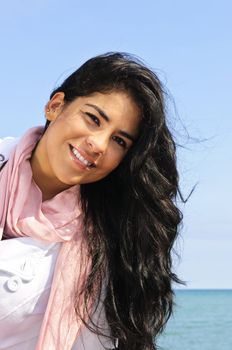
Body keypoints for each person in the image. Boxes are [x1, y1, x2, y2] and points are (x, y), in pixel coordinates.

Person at [0, 52, 182, 350]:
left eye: (119, 141)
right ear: (55, 106)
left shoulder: (103, 245)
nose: (98, 145)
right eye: (93, 118)